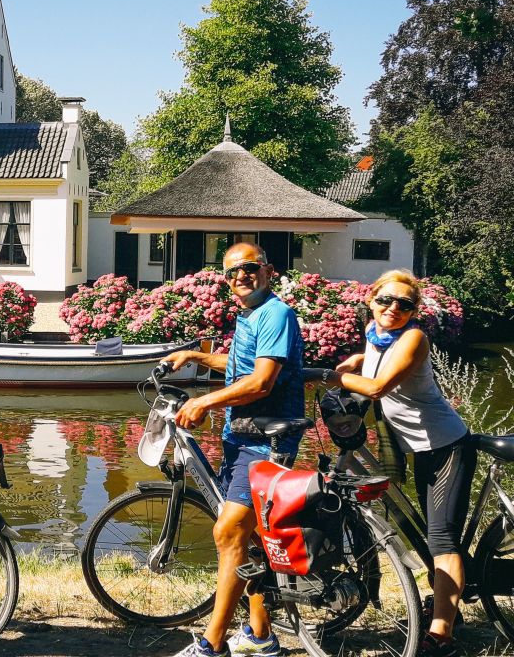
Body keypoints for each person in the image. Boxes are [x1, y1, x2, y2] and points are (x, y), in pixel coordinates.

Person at [319, 269, 473, 657]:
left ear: (414, 311)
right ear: (371, 300)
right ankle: (449, 599)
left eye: (404, 304)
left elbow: (377, 387)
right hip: (420, 449)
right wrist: (357, 360)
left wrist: (325, 374)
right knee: (427, 531)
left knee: (442, 538)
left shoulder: (413, 337)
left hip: (446, 446)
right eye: (385, 300)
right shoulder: (375, 333)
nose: (393, 308)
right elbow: (376, 364)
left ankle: (441, 636)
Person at [164, 242, 304, 657]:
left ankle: (212, 644)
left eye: (249, 267)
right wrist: (197, 356)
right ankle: (261, 636)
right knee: (250, 539)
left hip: (265, 440)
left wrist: (205, 401)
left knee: (228, 532)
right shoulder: (250, 315)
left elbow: (261, 382)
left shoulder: (276, 313)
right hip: (241, 435)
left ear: (268, 271)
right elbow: (243, 366)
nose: (241, 276)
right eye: (231, 272)